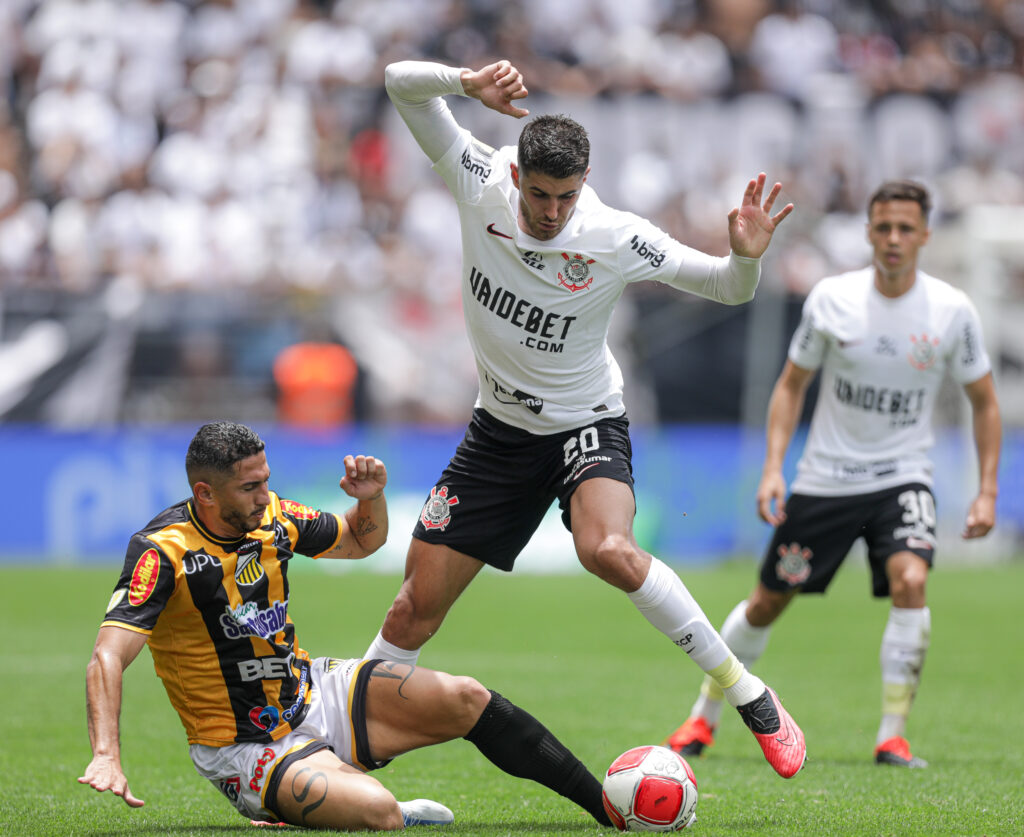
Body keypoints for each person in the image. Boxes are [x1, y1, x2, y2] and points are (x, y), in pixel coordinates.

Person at [362, 58, 806, 779]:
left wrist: (746, 258)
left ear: (583, 184)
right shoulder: (478, 177)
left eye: (565, 196)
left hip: (585, 422)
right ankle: (347, 746)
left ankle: (750, 695)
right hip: (499, 432)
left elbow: (727, 287)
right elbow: (398, 82)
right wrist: (465, 82)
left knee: (607, 550)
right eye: (539, 194)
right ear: (516, 178)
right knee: (413, 608)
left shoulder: (613, 234)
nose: (550, 212)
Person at [79, 420, 615, 830]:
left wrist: (370, 499)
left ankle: (610, 810)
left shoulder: (273, 517)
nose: (264, 496)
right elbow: (108, 656)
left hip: (311, 692)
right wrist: (106, 754)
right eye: (249, 488)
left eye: (265, 480)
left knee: (467, 698)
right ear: (205, 495)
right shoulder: (161, 553)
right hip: (244, 746)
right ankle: (305, 799)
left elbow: (363, 540)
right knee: (380, 813)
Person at [665, 180, 1002, 768]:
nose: (893, 239)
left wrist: (987, 491)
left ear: (924, 235)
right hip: (826, 481)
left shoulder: (952, 312)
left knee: (911, 582)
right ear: (869, 232)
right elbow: (791, 385)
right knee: (768, 602)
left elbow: (986, 401)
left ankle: (892, 735)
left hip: (903, 477)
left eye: (905, 229)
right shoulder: (832, 300)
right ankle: (705, 715)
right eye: (883, 228)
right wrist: (774, 469)